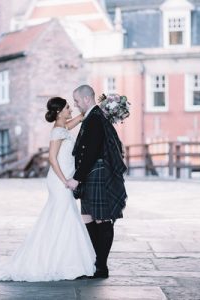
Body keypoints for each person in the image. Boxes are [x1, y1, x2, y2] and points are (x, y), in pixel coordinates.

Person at [0, 97, 95, 282]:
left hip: (64, 181)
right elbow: (52, 159)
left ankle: (63, 259)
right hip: (59, 181)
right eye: (68, 107)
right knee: (63, 216)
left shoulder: (64, 127)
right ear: (60, 111)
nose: (71, 109)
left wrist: (93, 106)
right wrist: (66, 181)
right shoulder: (57, 132)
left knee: (62, 217)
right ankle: (56, 261)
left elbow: (78, 119)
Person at [66, 85, 127, 279]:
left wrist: (77, 178)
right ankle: (97, 262)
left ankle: (101, 266)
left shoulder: (95, 118)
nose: (75, 105)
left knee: (102, 218)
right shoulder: (94, 116)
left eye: (76, 101)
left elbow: (91, 152)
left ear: (86, 99)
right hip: (93, 174)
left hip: (97, 173)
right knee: (89, 218)